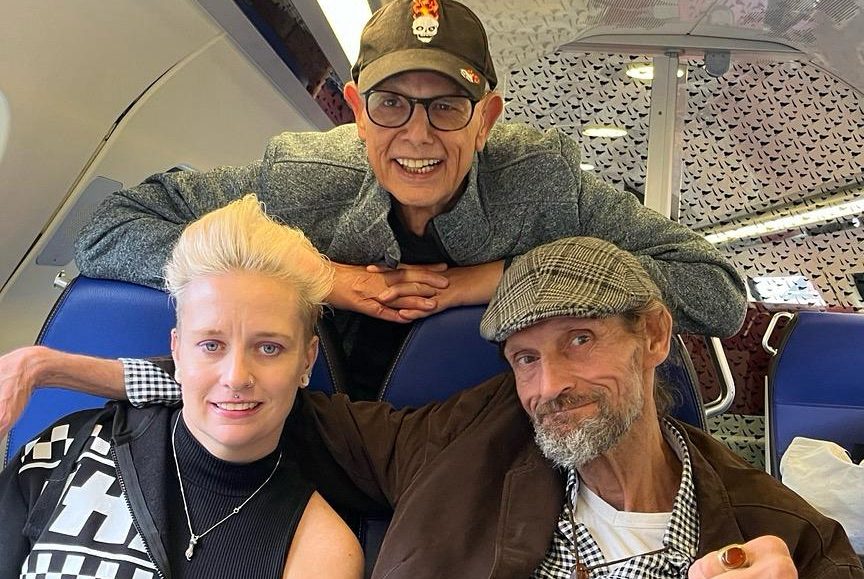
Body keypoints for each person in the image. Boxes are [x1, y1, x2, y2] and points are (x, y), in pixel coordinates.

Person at [4, 237, 857, 577]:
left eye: (580, 340)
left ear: (655, 336)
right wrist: (50, 366)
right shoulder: (455, 439)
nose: (549, 383)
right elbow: (239, 391)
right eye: (525, 356)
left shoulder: (775, 531)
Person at [73, 0, 747, 399]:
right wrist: (319, 277)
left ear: (486, 120)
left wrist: (503, 278)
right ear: (356, 113)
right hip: (322, 417)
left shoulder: (540, 181)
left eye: (446, 106)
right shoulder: (305, 177)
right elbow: (109, 229)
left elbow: (716, 292)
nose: (417, 135)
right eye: (391, 104)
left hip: (488, 421)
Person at [0, 196, 363, 579]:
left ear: (306, 360)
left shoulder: (320, 553)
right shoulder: (72, 446)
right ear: (177, 350)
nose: (236, 377)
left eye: (268, 348)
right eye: (211, 345)